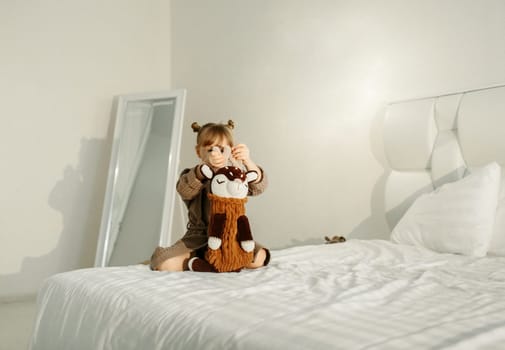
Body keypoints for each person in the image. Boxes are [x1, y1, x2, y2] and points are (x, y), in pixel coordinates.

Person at [149, 120, 270, 272]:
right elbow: (184, 189)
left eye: (221, 149)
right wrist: (202, 172)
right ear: (198, 151)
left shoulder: (234, 176)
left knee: (260, 257)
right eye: (209, 149)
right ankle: (198, 260)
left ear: (231, 151)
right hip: (198, 238)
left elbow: (258, 187)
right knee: (163, 264)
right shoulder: (193, 174)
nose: (215, 154)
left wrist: (248, 161)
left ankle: (214, 262)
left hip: (230, 236)